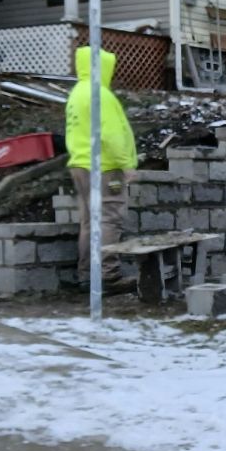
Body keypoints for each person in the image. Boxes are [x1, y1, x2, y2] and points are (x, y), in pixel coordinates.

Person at [65, 45, 137, 288]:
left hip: (81, 164)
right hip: (105, 167)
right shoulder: (100, 94)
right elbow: (112, 134)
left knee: (89, 222)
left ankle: (87, 274)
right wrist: (126, 164)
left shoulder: (77, 92)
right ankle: (108, 275)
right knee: (109, 219)